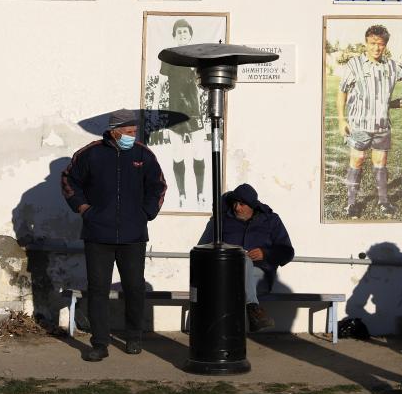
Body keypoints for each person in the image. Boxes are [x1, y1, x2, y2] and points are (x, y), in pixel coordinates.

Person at [61, 109, 167, 362]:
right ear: (114, 131)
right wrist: (83, 208)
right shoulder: (90, 154)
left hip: (133, 235)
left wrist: (146, 213)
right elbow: (69, 180)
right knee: (98, 289)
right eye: (129, 132)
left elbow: (158, 186)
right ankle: (100, 343)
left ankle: (134, 337)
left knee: (134, 287)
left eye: (135, 132)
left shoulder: (144, 154)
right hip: (98, 234)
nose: (134, 136)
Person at [198, 183, 294, 332]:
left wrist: (265, 253)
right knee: (240, 259)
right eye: (235, 203)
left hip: (259, 277)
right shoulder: (220, 221)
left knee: (244, 263)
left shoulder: (271, 221)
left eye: (242, 204)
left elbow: (287, 252)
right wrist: (226, 254)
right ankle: (253, 309)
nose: (237, 208)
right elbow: (202, 248)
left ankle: (217, 328)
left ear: (252, 206)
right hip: (225, 274)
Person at [336, 24, 402, 218]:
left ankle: (384, 202)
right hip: (359, 125)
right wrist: (342, 120)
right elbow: (342, 91)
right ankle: (351, 204)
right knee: (357, 161)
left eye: (381, 44)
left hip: (382, 126)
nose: (376, 48)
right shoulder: (354, 65)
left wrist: (395, 103)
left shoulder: (393, 66)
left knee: (380, 163)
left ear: (385, 45)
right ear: (366, 43)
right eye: (373, 43)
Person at [152, 19, 209, 209]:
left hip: (194, 113)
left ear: (190, 35)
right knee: (177, 155)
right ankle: (182, 194)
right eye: (179, 32)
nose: (183, 35)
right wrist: (153, 108)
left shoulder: (198, 58)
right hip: (174, 113)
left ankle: (200, 193)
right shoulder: (169, 57)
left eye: (185, 32)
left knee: (199, 152)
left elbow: (204, 84)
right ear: (175, 36)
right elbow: (160, 85)